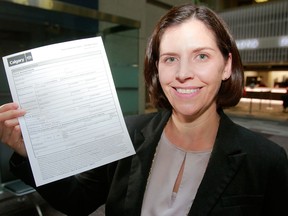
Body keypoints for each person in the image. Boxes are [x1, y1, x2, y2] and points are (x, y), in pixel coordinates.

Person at [0, 4, 287, 216]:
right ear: (157, 67)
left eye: (201, 56)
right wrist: (31, 156)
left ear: (226, 65)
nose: (183, 73)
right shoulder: (127, 133)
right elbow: (79, 202)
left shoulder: (265, 160)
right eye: (170, 58)